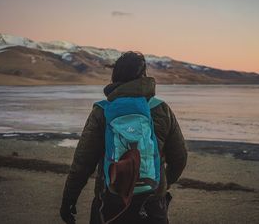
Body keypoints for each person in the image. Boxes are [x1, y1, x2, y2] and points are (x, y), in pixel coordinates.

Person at [60, 51, 188, 224]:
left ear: (115, 76)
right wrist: (160, 185)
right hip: (151, 203)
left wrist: (69, 199)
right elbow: (179, 158)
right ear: (143, 76)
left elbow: (82, 164)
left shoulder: (102, 111)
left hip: (110, 200)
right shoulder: (161, 109)